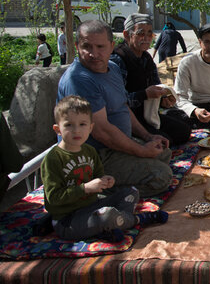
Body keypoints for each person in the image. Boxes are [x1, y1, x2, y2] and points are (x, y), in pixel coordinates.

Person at [57, 20, 172, 198]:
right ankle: (96, 194)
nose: (94, 54)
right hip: (94, 157)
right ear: (77, 46)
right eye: (87, 46)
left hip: (117, 145)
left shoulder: (113, 68)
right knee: (161, 176)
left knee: (163, 152)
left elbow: (123, 108)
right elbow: (102, 132)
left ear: (111, 46)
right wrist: (141, 151)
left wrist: (147, 137)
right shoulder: (79, 79)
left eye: (100, 47)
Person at [41, 95, 168, 242]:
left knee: (131, 192)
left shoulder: (89, 151)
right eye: (69, 125)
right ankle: (137, 219)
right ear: (58, 129)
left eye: (82, 124)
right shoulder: (53, 159)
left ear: (90, 127)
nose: (76, 130)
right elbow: (54, 198)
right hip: (68, 220)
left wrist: (106, 180)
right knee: (107, 215)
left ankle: (110, 227)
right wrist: (86, 188)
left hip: (91, 206)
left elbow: (98, 175)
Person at [110, 13, 191, 146]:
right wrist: (145, 94)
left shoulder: (146, 58)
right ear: (126, 34)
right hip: (128, 121)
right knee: (164, 142)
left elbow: (156, 86)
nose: (147, 38)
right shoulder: (118, 59)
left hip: (148, 116)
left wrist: (163, 100)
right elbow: (117, 103)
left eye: (150, 34)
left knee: (184, 131)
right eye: (141, 33)